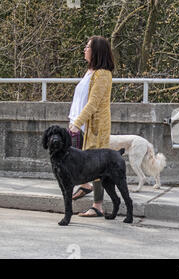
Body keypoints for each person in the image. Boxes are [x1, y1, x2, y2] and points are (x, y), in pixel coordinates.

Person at [69, 35, 114, 218]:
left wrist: (77, 123)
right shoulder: (90, 72)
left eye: (87, 47)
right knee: (74, 161)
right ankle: (85, 185)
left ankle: (97, 206)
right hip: (79, 125)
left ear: (96, 51)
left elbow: (94, 103)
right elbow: (80, 100)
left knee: (96, 166)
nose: (84, 49)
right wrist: (73, 120)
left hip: (93, 127)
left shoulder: (102, 74)